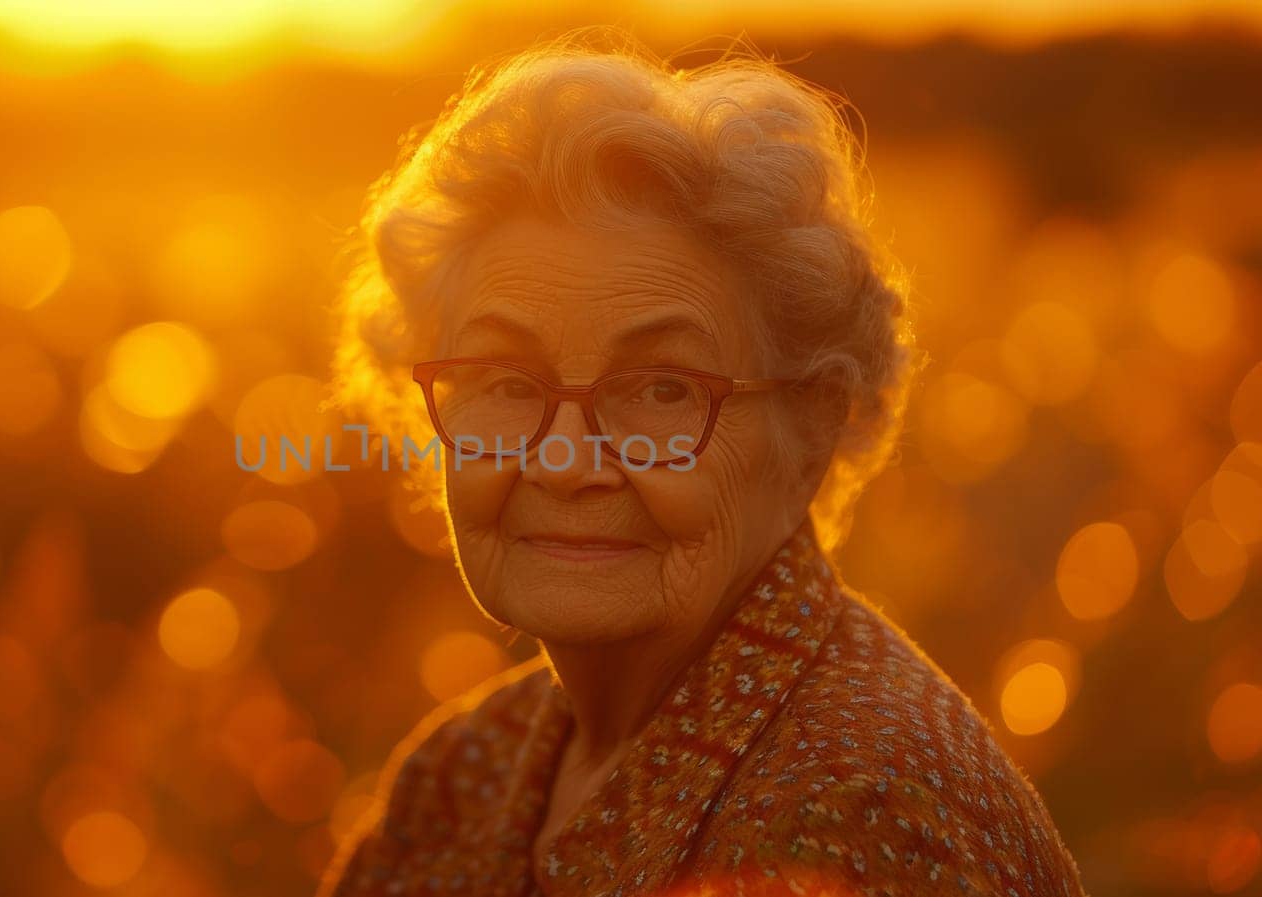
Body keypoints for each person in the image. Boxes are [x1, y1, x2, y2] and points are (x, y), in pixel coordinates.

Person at [317, 32, 1089, 897]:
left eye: (662, 389)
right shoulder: (459, 778)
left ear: (810, 430)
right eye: (505, 380)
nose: (566, 462)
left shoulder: (865, 812)